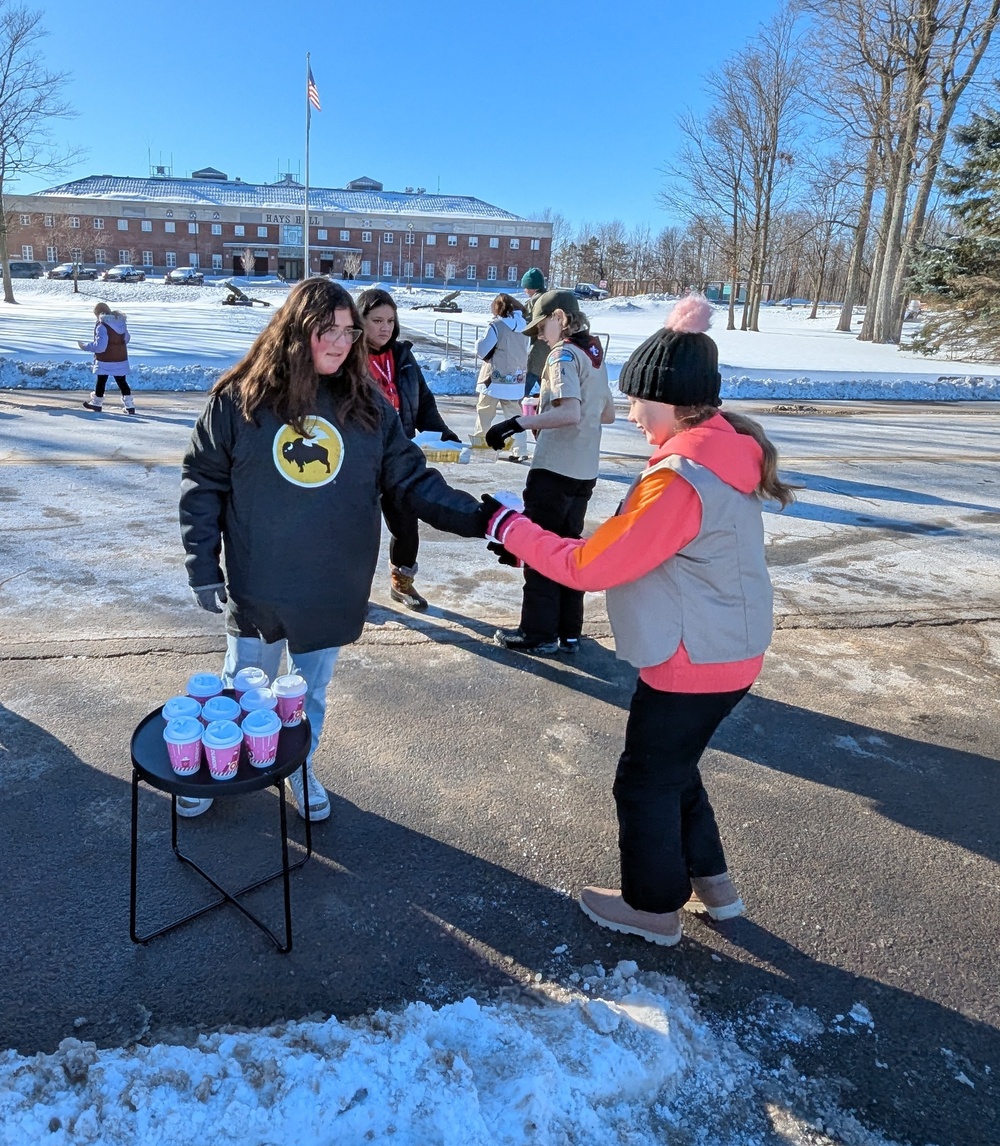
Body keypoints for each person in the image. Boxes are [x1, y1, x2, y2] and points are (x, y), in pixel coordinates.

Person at [481, 296, 795, 946]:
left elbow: (592, 566)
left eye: (636, 401)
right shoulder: (725, 450)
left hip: (693, 662)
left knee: (643, 780)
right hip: (726, 653)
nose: (628, 413)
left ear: (670, 398)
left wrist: (509, 525)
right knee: (674, 767)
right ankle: (716, 888)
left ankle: (652, 908)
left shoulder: (683, 476)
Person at [179, 279, 485, 820]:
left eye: (350, 331)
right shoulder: (240, 400)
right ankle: (218, 766)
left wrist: (485, 518)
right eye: (329, 330)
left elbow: (411, 479)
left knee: (307, 695)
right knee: (241, 690)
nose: (343, 343)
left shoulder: (367, 406)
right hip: (261, 582)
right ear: (298, 331)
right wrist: (202, 563)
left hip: (332, 582)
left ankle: (299, 763)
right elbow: (203, 482)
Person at [486, 289, 616, 655]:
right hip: (585, 470)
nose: (541, 336)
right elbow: (606, 414)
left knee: (542, 551)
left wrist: (517, 423)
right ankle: (569, 632)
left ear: (560, 318)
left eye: (542, 326)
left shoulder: (561, 356)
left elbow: (569, 412)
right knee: (570, 549)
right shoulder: (595, 355)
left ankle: (538, 631)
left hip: (554, 470)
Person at [356, 287, 462, 610]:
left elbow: (424, 401)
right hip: (363, 461)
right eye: (376, 320)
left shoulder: (402, 356)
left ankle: (402, 583)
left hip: (402, 459)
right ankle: (351, 593)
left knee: (406, 525)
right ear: (360, 320)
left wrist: (443, 434)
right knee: (359, 531)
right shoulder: (349, 358)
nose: (385, 327)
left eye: (390, 320)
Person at [472, 293, 529, 463]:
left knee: (484, 412)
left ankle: (480, 445)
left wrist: (477, 343)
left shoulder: (496, 326)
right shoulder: (525, 326)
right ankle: (521, 449)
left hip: (494, 379)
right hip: (516, 379)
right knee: (514, 416)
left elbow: (483, 349)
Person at [78, 302, 135, 414]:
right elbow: (126, 339)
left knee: (101, 381)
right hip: (120, 358)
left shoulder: (102, 325)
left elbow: (100, 347)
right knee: (122, 382)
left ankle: (97, 404)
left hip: (105, 359)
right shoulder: (120, 322)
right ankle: (130, 406)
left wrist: (86, 347)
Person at [520, 268, 547, 398]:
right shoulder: (548, 298)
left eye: (526, 287)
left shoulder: (535, 301)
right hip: (550, 345)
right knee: (544, 380)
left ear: (532, 287)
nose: (525, 290)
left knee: (531, 374)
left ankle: (519, 408)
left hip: (539, 346)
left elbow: (527, 321)